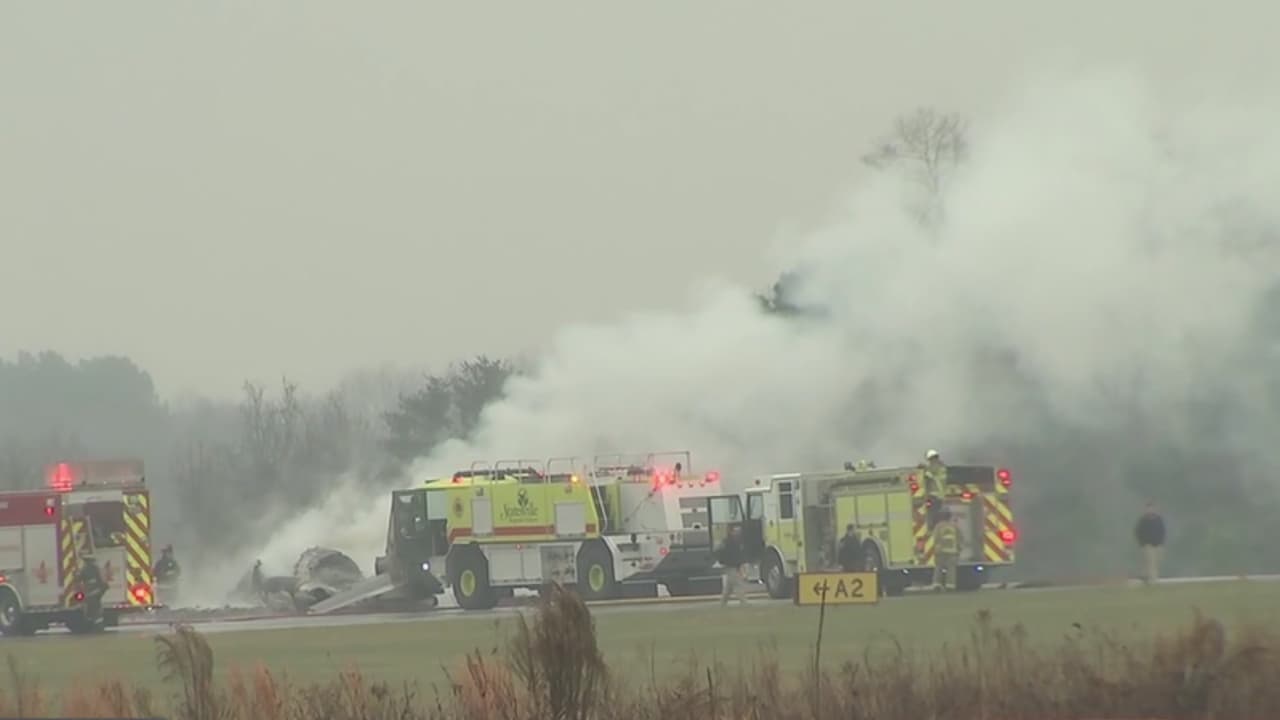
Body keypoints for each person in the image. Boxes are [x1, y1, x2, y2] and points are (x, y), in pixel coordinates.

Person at [716, 525, 749, 607]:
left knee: (729, 587)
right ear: (731, 531)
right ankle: (743, 602)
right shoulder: (728, 542)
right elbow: (724, 553)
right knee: (738, 584)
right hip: (730, 566)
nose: (738, 532)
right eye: (736, 530)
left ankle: (722, 604)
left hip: (733, 566)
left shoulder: (736, 541)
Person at [1134, 502, 1166, 585]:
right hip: (1147, 545)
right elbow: (1138, 532)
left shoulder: (1159, 519)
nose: (1150, 510)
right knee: (1151, 563)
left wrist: (1161, 542)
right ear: (1146, 509)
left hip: (1158, 545)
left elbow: (1162, 530)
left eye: (1152, 508)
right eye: (1148, 508)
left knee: (1157, 562)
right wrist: (1142, 543)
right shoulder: (1143, 520)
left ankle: (1144, 575)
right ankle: (1153, 582)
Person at [931, 510, 961, 591]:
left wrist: (935, 549)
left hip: (941, 551)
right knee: (951, 569)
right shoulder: (954, 526)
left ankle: (937, 585)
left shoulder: (939, 526)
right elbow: (959, 538)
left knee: (938, 568)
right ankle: (950, 585)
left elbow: (935, 538)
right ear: (949, 517)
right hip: (952, 551)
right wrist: (959, 549)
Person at [77, 553, 108, 628]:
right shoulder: (96, 568)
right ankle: (97, 623)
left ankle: (96, 624)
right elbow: (103, 582)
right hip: (95, 592)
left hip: (92, 593)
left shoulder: (86, 569)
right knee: (94, 609)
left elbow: (79, 578)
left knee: (92, 609)